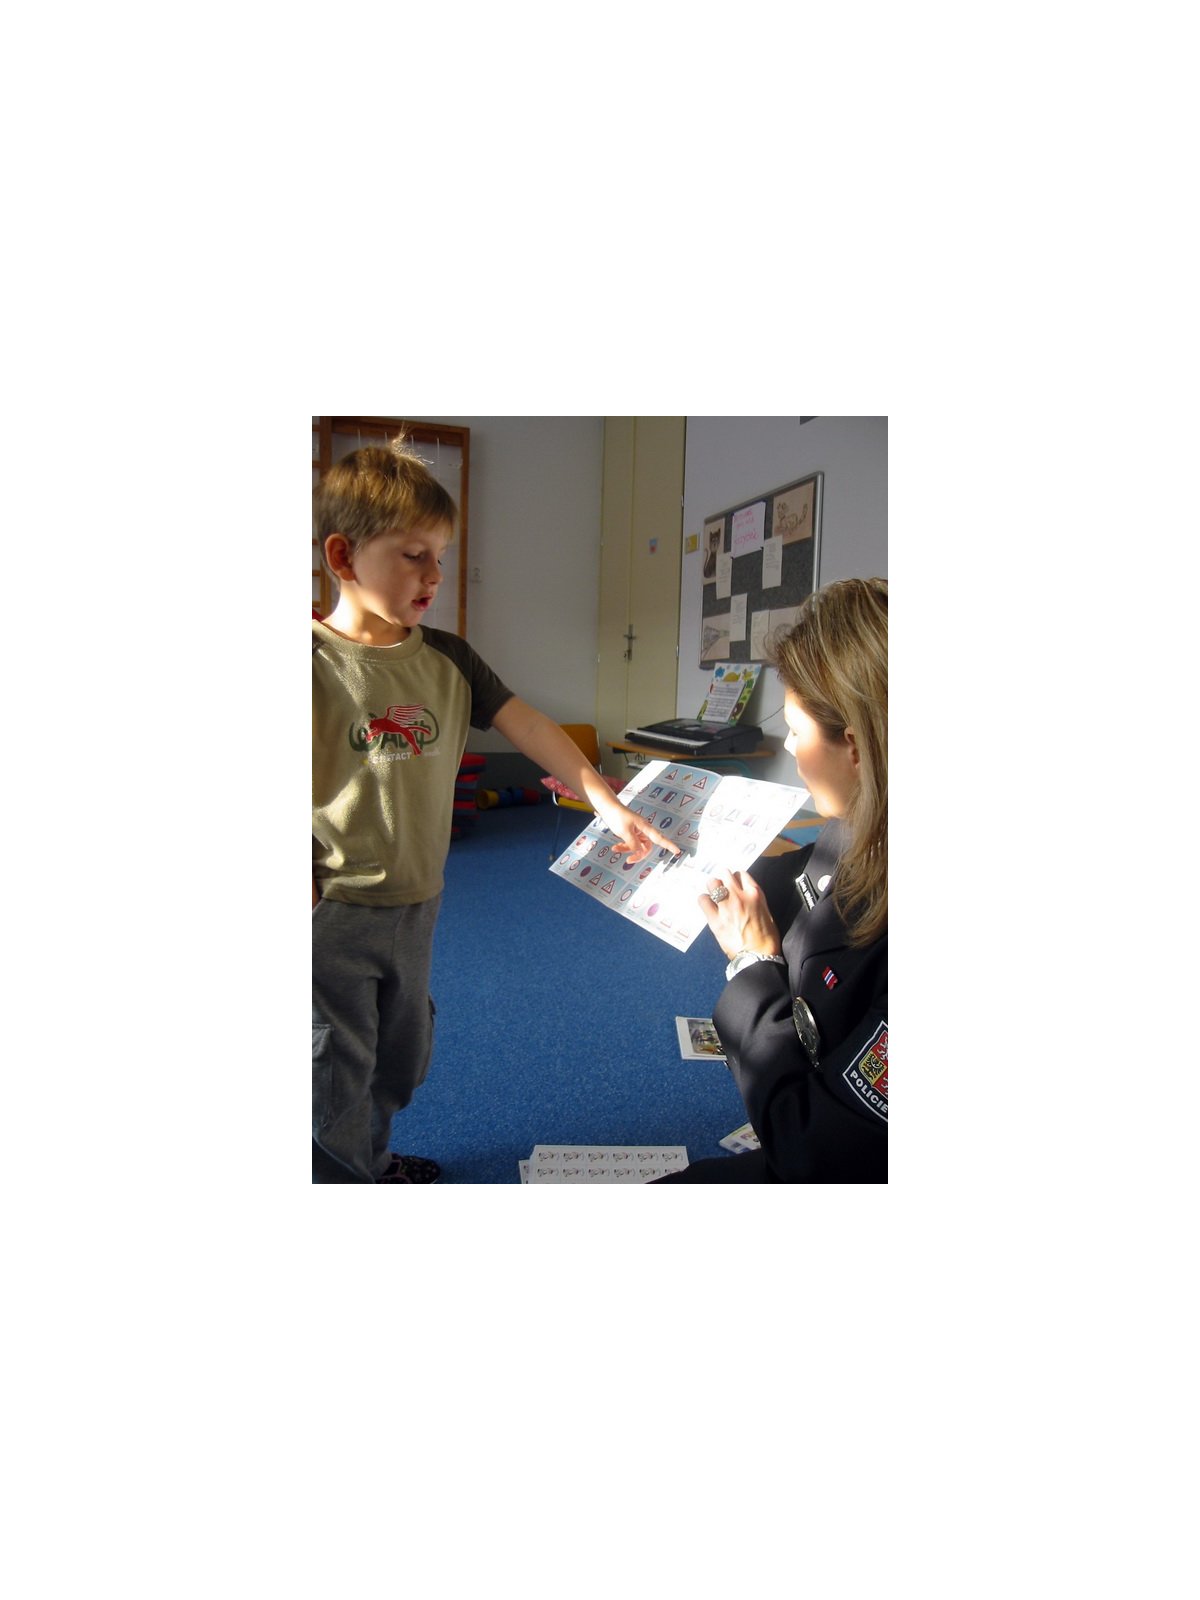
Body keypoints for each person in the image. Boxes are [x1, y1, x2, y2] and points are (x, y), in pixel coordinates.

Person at [313, 438, 679, 1184]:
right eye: (413, 555)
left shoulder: (449, 658)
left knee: (402, 1054)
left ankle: (369, 1158)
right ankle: (341, 1178)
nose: (434, 575)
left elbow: (532, 727)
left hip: (418, 903)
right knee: (333, 1064)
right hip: (333, 910)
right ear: (343, 557)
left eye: (441, 557)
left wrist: (605, 803)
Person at [655, 577, 887, 1183]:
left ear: (855, 747)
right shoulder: (866, 826)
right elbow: (812, 874)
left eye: (795, 729)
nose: (788, 747)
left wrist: (752, 966)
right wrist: (703, 857)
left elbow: (816, 1153)